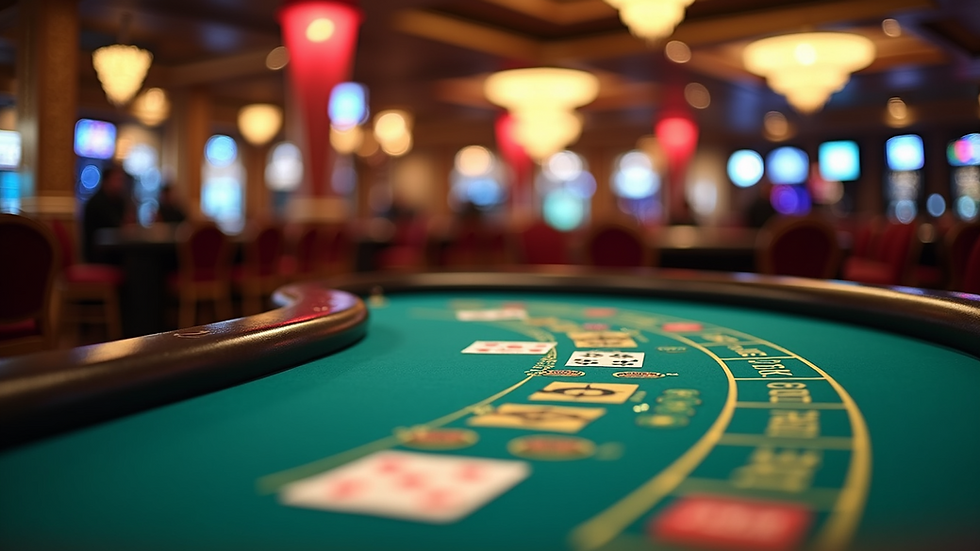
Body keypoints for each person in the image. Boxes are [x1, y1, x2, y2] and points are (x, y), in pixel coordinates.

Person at [82, 165, 129, 263]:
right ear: (105, 181)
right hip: (99, 256)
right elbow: (117, 228)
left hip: (113, 252)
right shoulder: (96, 203)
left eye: (122, 180)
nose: (120, 184)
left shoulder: (119, 201)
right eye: (117, 179)